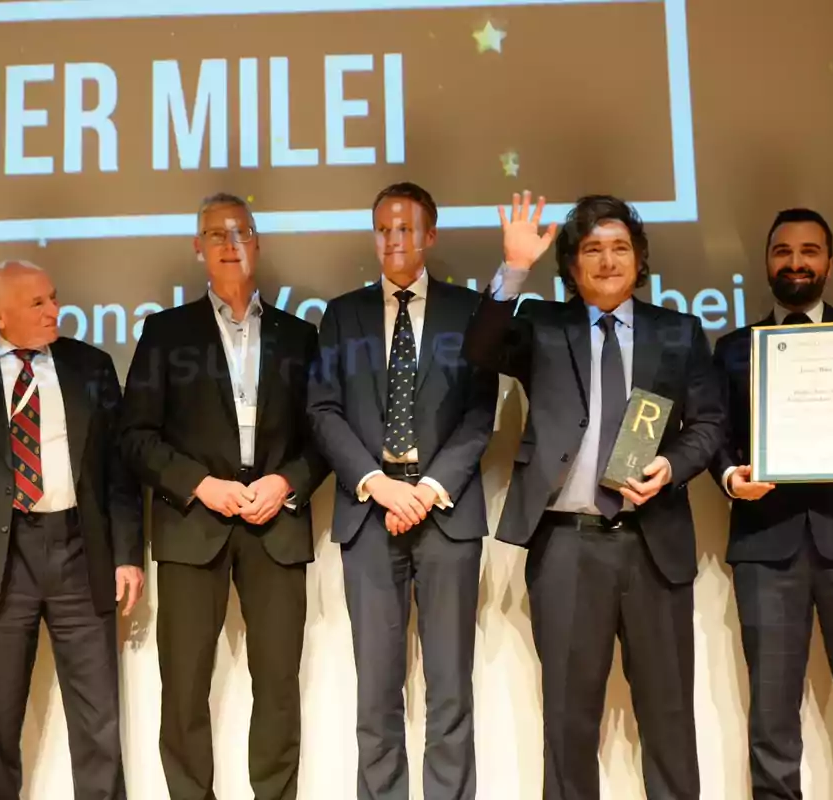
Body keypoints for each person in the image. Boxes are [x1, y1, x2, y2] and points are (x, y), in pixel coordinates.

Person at [462, 192, 724, 800]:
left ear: (640, 260)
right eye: (592, 250)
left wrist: (671, 465)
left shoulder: (677, 331)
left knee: (668, 719)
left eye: (620, 249)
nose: (608, 262)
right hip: (567, 546)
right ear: (573, 265)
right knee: (568, 722)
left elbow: (709, 425)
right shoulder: (542, 325)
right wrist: (514, 268)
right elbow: (478, 349)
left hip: (653, 542)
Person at [118, 193, 328, 800]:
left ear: (257, 242)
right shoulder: (165, 333)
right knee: (183, 687)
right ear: (198, 248)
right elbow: (134, 438)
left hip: (277, 527)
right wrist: (200, 484)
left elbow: (325, 436)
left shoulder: (299, 337)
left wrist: (286, 482)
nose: (229, 244)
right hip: (191, 527)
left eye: (240, 232)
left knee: (278, 686)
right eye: (215, 234)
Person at [711, 209, 833, 800]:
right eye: (782, 251)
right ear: (767, 261)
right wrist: (728, 476)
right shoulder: (732, 348)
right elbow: (715, 434)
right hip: (765, 545)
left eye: (809, 251)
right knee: (771, 718)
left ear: (830, 262)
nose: (795, 262)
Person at [307, 182, 497, 800]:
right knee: (376, 693)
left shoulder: (469, 311)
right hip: (369, 514)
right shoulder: (343, 314)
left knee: (450, 691)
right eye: (384, 229)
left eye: (406, 229)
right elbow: (324, 410)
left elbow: (479, 414)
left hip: (446, 513)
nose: (393, 240)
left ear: (430, 236)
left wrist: (429, 487)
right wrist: (379, 485)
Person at [0, 260, 144, 800]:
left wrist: (128, 553)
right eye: (37, 303)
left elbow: (117, 470)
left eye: (53, 298)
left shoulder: (92, 367)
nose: (54, 310)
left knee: (100, 723)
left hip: (82, 551)